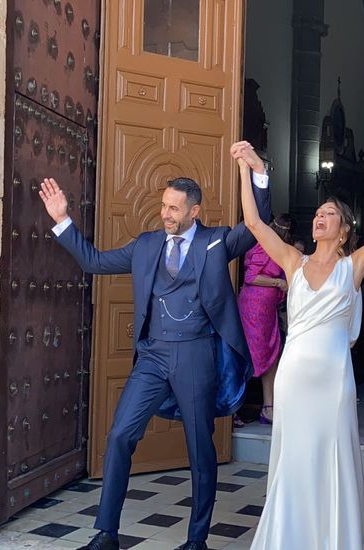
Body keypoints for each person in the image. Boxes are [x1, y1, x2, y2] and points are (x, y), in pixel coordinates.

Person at [38, 141, 271, 550]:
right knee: (120, 436)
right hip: (152, 356)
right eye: (164, 206)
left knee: (201, 450)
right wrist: (63, 221)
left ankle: (196, 540)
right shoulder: (145, 245)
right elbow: (94, 261)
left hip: (197, 355)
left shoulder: (216, 242)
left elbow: (258, 224)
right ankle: (106, 534)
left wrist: (257, 172)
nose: (166, 214)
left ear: (194, 211)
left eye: (174, 208)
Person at [232, 140, 364, 549]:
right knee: (293, 459)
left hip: (333, 382)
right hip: (293, 379)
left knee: (332, 458)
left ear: (344, 228)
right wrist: (248, 168)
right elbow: (255, 224)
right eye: (316, 214)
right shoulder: (293, 263)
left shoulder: (354, 266)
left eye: (327, 214)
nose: (318, 218)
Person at [237, 214, 296, 425]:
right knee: (252, 353)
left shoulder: (279, 247)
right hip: (254, 309)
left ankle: (268, 407)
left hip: (267, 309)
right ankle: (233, 408)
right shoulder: (262, 246)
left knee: (272, 353)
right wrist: (278, 283)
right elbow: (251, 277)